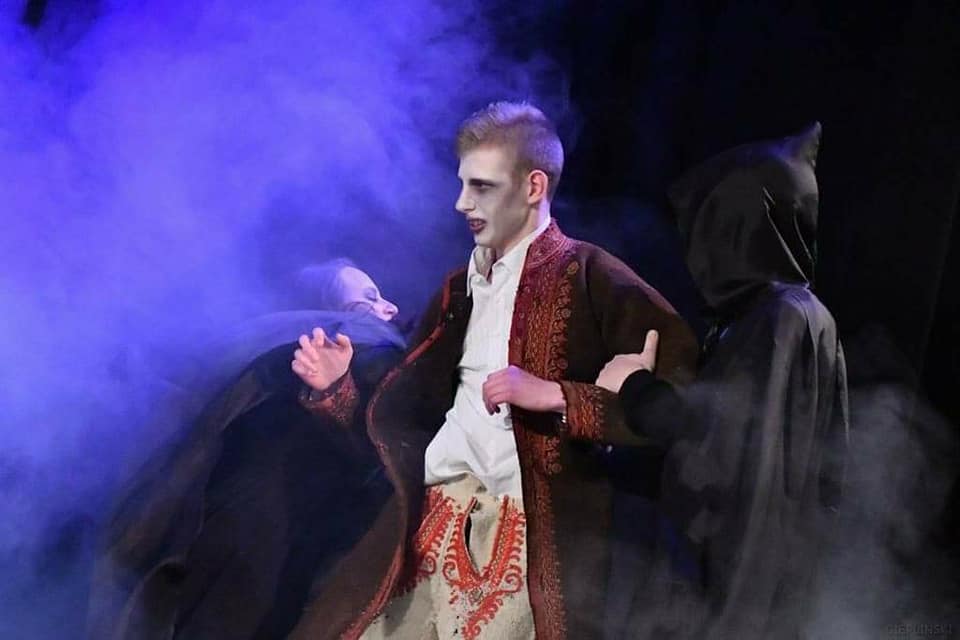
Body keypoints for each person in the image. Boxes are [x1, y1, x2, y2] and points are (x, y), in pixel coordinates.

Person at [287, 101, 698, 640]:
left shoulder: (591, 275)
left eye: (481, 186)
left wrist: (559, 396)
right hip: (431, 527)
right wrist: (337, 390)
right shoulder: (455, 292)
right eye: (463, 184)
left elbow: (680, 405)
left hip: (533, 536)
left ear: (532, 187)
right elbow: (402, 431)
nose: (462, 202)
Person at [596, 123, 850, 639]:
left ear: (737, 225)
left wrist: (635, 389)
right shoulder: (762, 319)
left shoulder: (785, 317)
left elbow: (731, 455)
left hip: (736, 602)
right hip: (728, 591)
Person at [87, 261, 406, 640]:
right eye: (366, 300)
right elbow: (377, 449)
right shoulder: (357, 342)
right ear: (320, 318)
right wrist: (336, 390)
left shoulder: (264, 351)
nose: (390, 307)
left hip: (275, 542)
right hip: (255, 532)